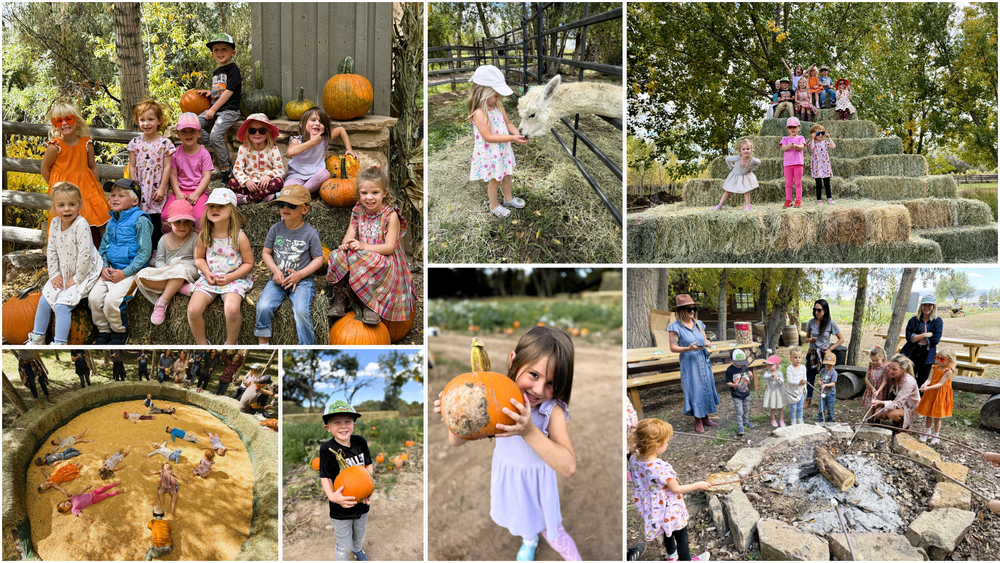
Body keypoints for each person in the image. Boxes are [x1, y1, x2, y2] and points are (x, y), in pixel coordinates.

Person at [434, 326, 580, 560]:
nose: (539, 389)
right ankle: (529, 540)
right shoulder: (496, 399)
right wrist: (454, 415)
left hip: (537, 486)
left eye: (551, 383)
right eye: (534, 375)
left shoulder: (551, 412)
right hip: (509, 479)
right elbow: (456, 442)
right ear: (513, 362)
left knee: (553, 533)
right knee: (524, 519)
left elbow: (569, 467)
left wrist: (529, 430)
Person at [326, 166, 415, 327]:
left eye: (375, 192)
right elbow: (349, 235)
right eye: (364, 193)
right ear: (358, 193)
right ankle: (340, 299)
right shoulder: (358, 210)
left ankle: (371, 305)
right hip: (363, 254)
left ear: (385, 193)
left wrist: (362, 246)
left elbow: (389, 248)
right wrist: (346, 245)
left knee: (363, 258)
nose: (369, 198)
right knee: (335, 255)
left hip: (384, 259)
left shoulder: (390, 215)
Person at [26, 183, 102, 344]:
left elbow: (85, 255)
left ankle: (60, 342)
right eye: (61, 205)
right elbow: (52, 251)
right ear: (54, 207)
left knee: (61, 305)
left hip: (85, 271)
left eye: (72, 204)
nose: (67, 209)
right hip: (64, 270)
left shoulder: (81, 225)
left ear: (80, 205)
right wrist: (54, 274)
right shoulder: (54, 224)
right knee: (44, 300)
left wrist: (78, 278)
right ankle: (37, 337)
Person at [627, 419, 710, 562]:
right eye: (665, 442)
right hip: (669, 509)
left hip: (652, 508)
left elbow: (648, 481)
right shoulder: (661, 467)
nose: (667, 444)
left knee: (666, 531)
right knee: (681, 536)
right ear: (656, 445)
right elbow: (676, 489)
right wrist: (699, 484)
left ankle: (672, 554)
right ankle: (686, 560)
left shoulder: (633, 459)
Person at [256, 185, 324, 344]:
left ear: (304, 210)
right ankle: (263, 343)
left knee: (301, 311)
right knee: (263, 306)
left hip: (302, 281)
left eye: (292, 205)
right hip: (278, 279)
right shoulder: (275, 229)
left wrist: (299, 275)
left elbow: (318, 259)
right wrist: (275, 271)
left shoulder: (310, 233)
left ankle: (307, 348)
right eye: (281, 204)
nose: (285, 208)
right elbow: (266, 253)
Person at [89, 178, 153, 345]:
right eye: (113, 195)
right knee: (94, 299)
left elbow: (144, 253)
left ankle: (119, 332)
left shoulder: (141, 221)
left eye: (121, 195)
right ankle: (103, 330)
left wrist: (125, 273)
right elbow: (102, 247)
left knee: (112, 302)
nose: (115, 198)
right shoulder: (111, 221)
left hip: (131, 271)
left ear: (135, 201)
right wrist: (103, 266)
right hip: (110, 269)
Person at [188, 188, 254, 345]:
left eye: (221, 206)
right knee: (193, 310)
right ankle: (202, 345)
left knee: (231, 309)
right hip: (209, 277)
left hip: (233, 278)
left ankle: (230, 344)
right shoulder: (205, 234)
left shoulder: (239, 236)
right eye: (211, 206)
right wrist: (206, 272)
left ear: (231, 211)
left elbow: (249, 263)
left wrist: (230, 277)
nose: (215, 209)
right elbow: (198, 258)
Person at [40, 102, 111, 245]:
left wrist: (95, 184)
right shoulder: (55, 147)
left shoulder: (86, 144)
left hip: (88, 186)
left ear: (77, 121)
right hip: (65, 187)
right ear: (54, 125)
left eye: (68, 119)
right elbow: (44, 169)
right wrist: (55, 189)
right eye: (59, 121)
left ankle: (101, 251)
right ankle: (68, 251)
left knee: (99, 216)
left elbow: (92, 166)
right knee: (70, 217)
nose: (64, 124)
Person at [466, 65, 529, 218]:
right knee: (495, 180)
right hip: (491, 153)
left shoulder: (498, 106)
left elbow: (508, 123)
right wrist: (512, 138)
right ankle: (494, 206)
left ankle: (508, 199)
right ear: (483, 92)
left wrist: (518, 133)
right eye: (495, 95)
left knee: (507, 174)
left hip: (503, 149)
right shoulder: (479, 113)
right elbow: (489, 137)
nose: (498, 99)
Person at [318, 400, 374, 561]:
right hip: (341, 506)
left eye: (347, 421)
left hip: (363, 503)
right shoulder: (327, 449)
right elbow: (325, 476)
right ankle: (342, 557)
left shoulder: (360, 442)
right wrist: (332, 496)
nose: (343, 426)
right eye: (337, 422)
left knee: (359, 534)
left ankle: (357, 550)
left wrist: (369, 487)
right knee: (343, 542)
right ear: (327, 428)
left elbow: (368, 465)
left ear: (354, 424)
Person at [136, 200, 199, 325]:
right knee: (141, 275)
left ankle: (162, 303)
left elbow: (197, 260)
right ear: (169, 223)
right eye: (178, 222)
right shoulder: (163, 239)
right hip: (168, 271)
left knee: (180, 269)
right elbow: (159, 259)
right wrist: (165, 267)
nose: (182, 226)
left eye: (187, 222)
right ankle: (179, 288)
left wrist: (178, 264)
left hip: (187, 270)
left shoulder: (194, 238)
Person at [127, 99, 175, 248]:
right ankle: (142, 248)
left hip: (156, 187)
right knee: (140, 217)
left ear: (159, 120)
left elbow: (167, 167)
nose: (146, 123)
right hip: (140, 186)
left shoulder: (165, 143)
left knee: (156, 217)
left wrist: (162, 188)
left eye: (150, 119)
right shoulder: (135, 142)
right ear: (137, 121)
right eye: (142, 120)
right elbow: (132, 165)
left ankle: (156, 249)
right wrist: (133, 186)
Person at [668, 295, 719, 433]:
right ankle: (698, 420)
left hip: (702, 360)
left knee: (706, 386)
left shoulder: (699, 324)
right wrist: (688, 348)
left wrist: (707, 343)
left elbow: (705, 340)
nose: (692, 311)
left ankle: (706, 417)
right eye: (689, 309)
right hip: (689, 362)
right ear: (681, 311)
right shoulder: (675, 327)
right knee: (695, 389)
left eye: (694, 309)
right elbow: (673, 347)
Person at [197, 33, 242, 185]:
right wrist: (211, 93)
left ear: (232, 53)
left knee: (216, 136)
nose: (220, 52)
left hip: (229, 111)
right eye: (216, 50)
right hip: (217, 109)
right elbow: (222, 90)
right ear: (212, 53)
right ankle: (215, 146)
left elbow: (229, 92)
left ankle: (225, 167)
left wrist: (212, 110)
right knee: (195, 125)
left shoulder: (233, 70)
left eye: (224, 49)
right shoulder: (217, 72)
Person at [284, 107, 356, 194]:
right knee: (287, 187)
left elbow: (341, 130)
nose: (317, 123)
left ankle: (301, 192)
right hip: (296, 176)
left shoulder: (323, 140)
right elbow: (290, 152)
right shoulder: (296, 140)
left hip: (315, 176)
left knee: (325, 173)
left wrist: (349, 149)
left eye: (321, 122)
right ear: (301, 124)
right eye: (313, 120)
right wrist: (312, 142)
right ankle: (302, 192)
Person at [164, 112, 213, 230]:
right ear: (178, 134)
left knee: (200, 218)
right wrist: (177, 193)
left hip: (199, 191)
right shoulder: (175, 153)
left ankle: (199, 244)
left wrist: (196, 194)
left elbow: (206, 177)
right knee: (165, 216)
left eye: (192, 131)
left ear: (199, 133)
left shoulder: (204, 154)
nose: (188, 134)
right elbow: (173, 175)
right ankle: (171, 244)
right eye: (184, 131)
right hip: (180, 190)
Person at [228, 113, 285, 203]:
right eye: (252, 131)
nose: (257, 134)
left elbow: (280, 169)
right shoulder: (243, 149)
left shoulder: (273, 149)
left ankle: (246, 199)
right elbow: (237, 169)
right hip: (250, 184)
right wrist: (246, 180)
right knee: (232, 183)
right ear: (247, 133)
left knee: (279, 182)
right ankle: (265, 197)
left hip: (265, 183)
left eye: (262, 130)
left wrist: (269, 176)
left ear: (268, 132)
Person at [804, 299, 845, 409]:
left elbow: (841, 339)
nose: (816, 312)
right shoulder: (811, 322)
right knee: (810, 377)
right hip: (813, 353)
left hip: (824, 354)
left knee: (826, 377)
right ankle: (808, 399)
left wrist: (830, 348)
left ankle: (825, 399)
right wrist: (810, 340)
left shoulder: (830, 323)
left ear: (825, 310)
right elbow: (806, 338)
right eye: (815, 310)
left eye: (819, 310)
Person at [900, 295, 943, 388]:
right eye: (924, 305)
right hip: (912, 353)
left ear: (933, 307)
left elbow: (935, 340)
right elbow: (909, 338)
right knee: (909, 380)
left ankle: (921, 401)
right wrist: (925, 335)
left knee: (923, 381)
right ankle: (908, 401)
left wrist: (916, 336)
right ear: (921, 306)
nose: (927, 307)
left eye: (929, 305)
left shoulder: (937, 321)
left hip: (927, 354)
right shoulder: (913, 320)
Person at [916, 348, 956, 445]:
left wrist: (928, 388)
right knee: (928, 414)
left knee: (937, 416)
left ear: (950, 360)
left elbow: (940, 384)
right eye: (937, 357)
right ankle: (927, 432)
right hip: (931, 392)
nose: (938, 360)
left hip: (940, 394)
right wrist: (925, 385)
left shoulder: (948, 371)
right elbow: (929, 380)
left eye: (941, 359)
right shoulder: (934, 368)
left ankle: (936, 435)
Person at [871, 354, 922, 430]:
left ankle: (904, 425)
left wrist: (881, 402)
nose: (891, 371)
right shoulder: (892, 376)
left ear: (903, 369)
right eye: (890, 368)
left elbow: (898, 402)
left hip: (910, 408)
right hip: (899, 405)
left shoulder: (908, 381)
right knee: (878, 413)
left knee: (891, 413)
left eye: (894, 369)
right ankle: (897, 422)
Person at [714, 138, 760, 211]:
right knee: (728, 190)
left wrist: (750, 170)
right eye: (743, 149)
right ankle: (720, 205)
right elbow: (727, 159)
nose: (746, 151)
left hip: (744, 176)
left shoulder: (752, 159)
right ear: (740, 151)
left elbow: (758, 162)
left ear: (751, 150)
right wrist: (731, 168)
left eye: (748, 149)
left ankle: (748, 205)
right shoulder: (737, 158)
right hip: (735, 175)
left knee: (746, 190)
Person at [56, 482, 121, 522]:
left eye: (64, 502)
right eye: (64, 506)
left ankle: (115, 484)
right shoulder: (73, 510)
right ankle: (117, 492)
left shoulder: (73, 499)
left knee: (104, 488)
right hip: (94, 499)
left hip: (92, 493)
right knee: (106, 495)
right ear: (65, 510)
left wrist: (86, 488)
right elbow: (80, 515)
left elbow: (79, 493)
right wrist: (88, 519)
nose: (66, 503)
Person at [725, 349, 753, 436]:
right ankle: (740, 425)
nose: (740, 365)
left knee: (745, 409)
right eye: (738, 363)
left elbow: (749, 379)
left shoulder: (744, 366)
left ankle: (745, 421)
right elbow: (728, 382)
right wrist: (734, 385)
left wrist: (751, 376)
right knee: (739, 411)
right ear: (731, 360)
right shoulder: (730, 370)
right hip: (736, 395)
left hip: (746, 393)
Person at [780, 117, 806, 208]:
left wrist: (795, 146)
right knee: (788, 183)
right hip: (787, 165)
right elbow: (783, 148)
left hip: (798, 164)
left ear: (799, 128)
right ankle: (788, 200)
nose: (792, 129)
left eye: (794, 127)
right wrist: (789, 146)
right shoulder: (785, 139)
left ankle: (798, 200)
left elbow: (801, 147)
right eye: (790, 128)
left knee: (798, 183)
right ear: (787, 129)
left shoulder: (801, 138)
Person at [807, 124, 837, 204]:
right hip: (817, 166)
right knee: (818, 184)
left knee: (827, 183)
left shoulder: (825, 142)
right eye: (817, 133)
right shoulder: (811, 142)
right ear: (813, 134)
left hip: (825, 165)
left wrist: (829, 137)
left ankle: (829, 198)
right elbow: (811, 148)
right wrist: (812, 138)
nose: (820, 135)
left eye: (822, 133)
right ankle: (819, 200)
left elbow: (834, 146)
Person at [762, 354, 788, 427]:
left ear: (776, 365)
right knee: (772, 407)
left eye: (771, 364)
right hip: (771, 392)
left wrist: (778, 378)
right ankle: (773, 420)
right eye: (768, 364)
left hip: (778, 392)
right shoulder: (768, 373)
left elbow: (782, 381)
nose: (769, 366)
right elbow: (764, 376)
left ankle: (781, 420)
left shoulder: (779, 373)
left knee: (780, 407)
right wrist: (771, 375)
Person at [862, 346, 889, 415]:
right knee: (871, 406)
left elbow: (884, 381)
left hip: (880, 390)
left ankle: (877, 418)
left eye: (877, 360)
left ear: (882, 357)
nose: (874, 362)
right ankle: (869, 421)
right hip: (871, 389)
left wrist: (878, 391)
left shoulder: (885, 368)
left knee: (878, 406)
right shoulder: (871, 366)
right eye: (873, 360)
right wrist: (872, 388)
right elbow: (866, 378)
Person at [785, 348, 807, 425]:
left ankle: (800, 419)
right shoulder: (789, 369)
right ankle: (793, 420)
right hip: (792, 391)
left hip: (800, 390)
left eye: (799, 357)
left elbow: (805, 377)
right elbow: (789, 381)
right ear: (791, 358)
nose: (797, 359)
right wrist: (798, 383)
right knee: (793, 407)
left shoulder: (803, 367)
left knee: (800, 407)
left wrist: (804, 381)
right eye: (795, 357)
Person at [816, 352, 839, 423]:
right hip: (822, 392)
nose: (828, 366)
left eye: (830, 364)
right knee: (821, 407)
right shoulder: (822, 371)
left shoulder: (834, 373)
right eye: (826, 364)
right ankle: (820, 417)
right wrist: (820, 383)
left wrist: (825, 385)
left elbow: (833, 383)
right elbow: (819, 379)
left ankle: (829, 418)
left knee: (830, 408)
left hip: (831, 394)